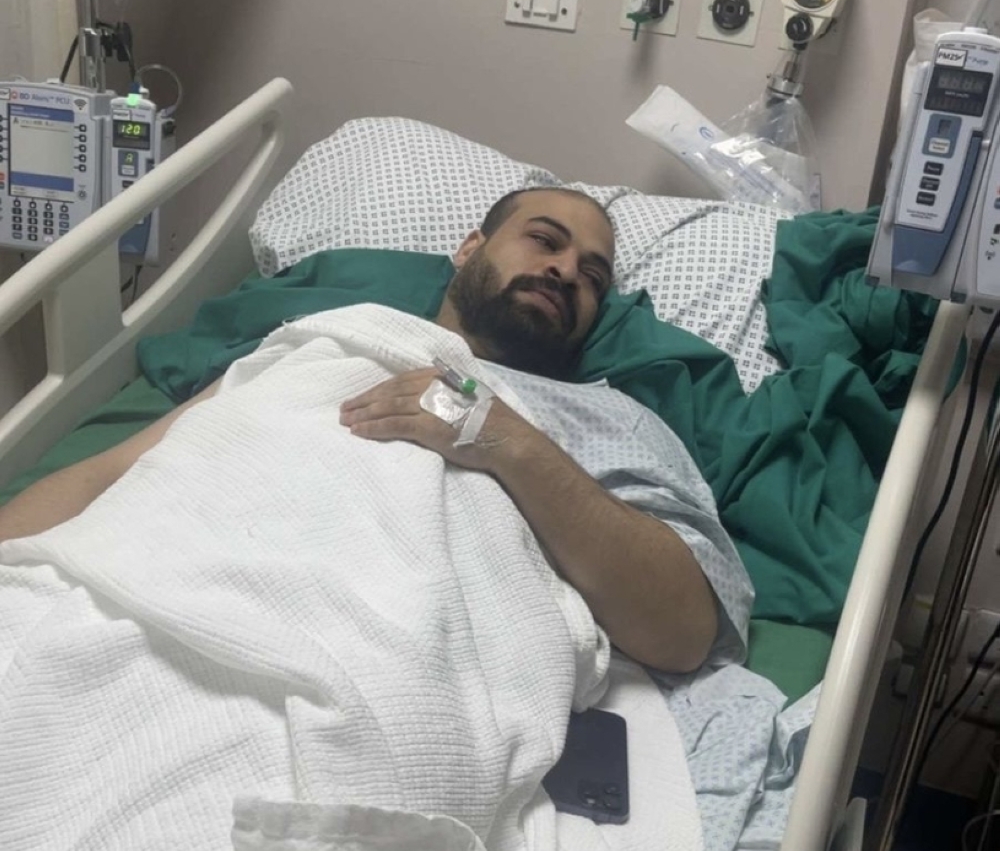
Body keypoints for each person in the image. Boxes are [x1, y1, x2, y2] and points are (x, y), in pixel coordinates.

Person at [0, 187, 747, 674]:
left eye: (592, 276)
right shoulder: (333, 335)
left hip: (367, 651)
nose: (565, 272)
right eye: (544, 241)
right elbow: (112, 473)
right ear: (469, 249)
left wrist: (502, 438)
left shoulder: (612, 419)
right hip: (153, 584)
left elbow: (681, 629)